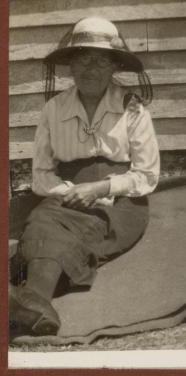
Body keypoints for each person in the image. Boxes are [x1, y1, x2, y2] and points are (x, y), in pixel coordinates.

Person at [9, 17, 160, 336]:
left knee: (83, 230)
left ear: (114, 66)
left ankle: (29, 301)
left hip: (119, 200)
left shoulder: (133, 109)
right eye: (82, 59)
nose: (91, 68)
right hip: (63, 193)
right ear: (70, 67)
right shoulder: (53, 109)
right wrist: (69, 192)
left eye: (101, 60)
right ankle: (36, 309)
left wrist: (102, 187)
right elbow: (40, 175)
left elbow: (147, 175)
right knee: (41, 223)